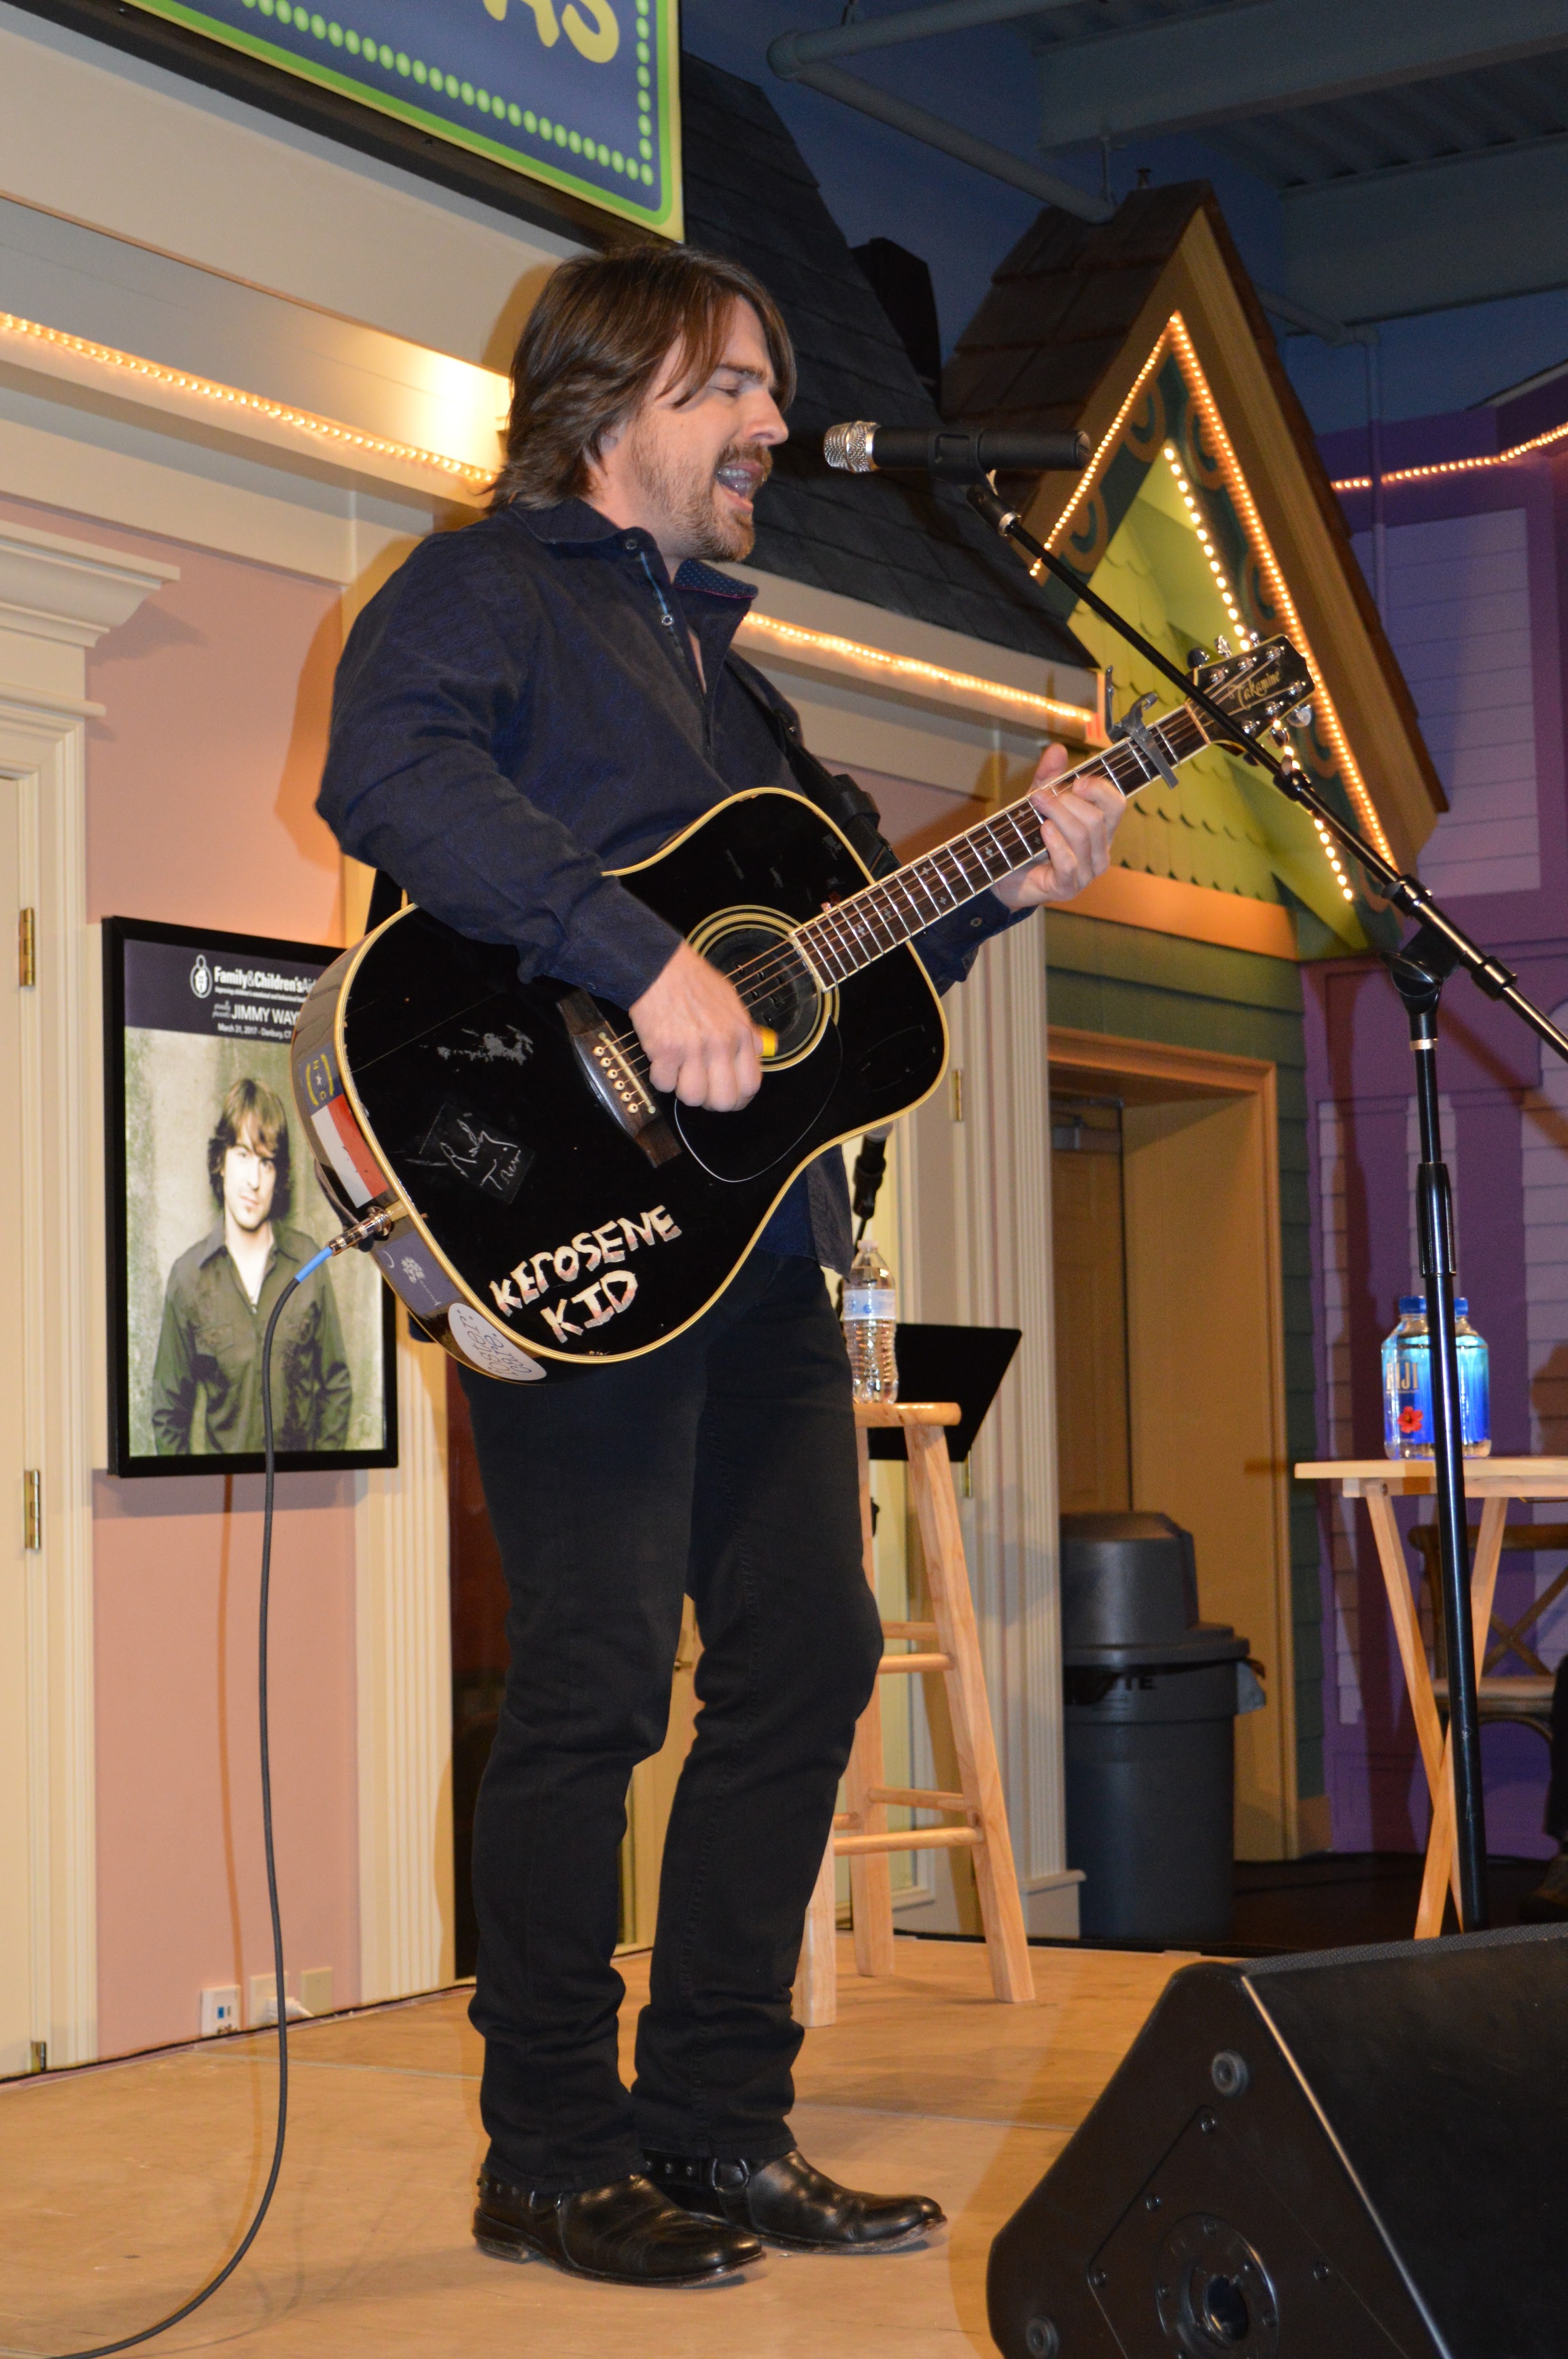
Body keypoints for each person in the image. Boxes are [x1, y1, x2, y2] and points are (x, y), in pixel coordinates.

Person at [318, 245, 1125, 2289]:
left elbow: (849, 983)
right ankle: (549, 2151)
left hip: (753, 1251)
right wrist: (638, 956)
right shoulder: (481, 592)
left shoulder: (734, 685)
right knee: (586, 1682)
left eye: (771, 386)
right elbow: (389, 779)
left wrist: (1006, 880)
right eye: (730, 389)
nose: (772, 421)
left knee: (811, 1659)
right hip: (563, 1211)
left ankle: (715, 2122)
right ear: (607, 411)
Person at [150, 1076, 351, 1455]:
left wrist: (317, 1481)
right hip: (221, 1500)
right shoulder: (188, 1276)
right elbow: (168, 1410)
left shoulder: (309, 1263)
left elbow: (336, 1385)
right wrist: (192, 1495)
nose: (254, 1180)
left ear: (279, 1175)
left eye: (267, 1162)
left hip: (301, 1499)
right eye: (242, 1155)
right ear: (220, 1161)